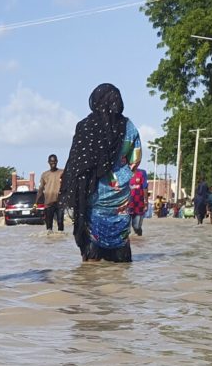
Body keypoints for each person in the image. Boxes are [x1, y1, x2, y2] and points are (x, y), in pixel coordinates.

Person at [59, 83, 141, 262]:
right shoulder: (129, 126)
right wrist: (121, 173)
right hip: (121, 197)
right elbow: (136, 159)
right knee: (121, 246)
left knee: (91, 263)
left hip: (93, 196)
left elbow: (76, 164)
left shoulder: (85, 126)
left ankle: (92, 277)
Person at [38, 154, 64, 232]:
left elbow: (68, 184)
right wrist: (35, 203)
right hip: (48, 203)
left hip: (60, 202)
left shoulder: (62, 172)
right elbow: (40, 190)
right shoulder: (45, 174)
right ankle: (49, 242)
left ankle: (61, 241)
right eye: (52, 161)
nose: (53, 163)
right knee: (49, 226)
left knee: (60, 223)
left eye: (55, 161)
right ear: (48, 162)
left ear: (57, 161)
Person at [128, 166, 148, 236]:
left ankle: (139, 237)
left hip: (139, 204)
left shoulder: (142, 173)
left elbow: (145, 187)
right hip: (126, 204)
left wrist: (146, 202)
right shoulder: (124, 173)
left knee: (136, 226)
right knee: (126, 228)